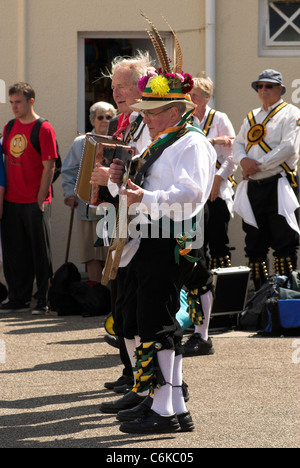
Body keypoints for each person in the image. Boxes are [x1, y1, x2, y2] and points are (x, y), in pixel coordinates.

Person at [99, 58, 216, 434]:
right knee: (154, 322)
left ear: (172, 110)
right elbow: (138, 192)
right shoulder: (164, 141)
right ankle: (171, 406)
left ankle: (165, 411)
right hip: (151, 237)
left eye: (151, 111)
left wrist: (142, 197)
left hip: (171, 240)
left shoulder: (191, 143)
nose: (144, 117)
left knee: (159, 323)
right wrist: (120, 182)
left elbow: (190, 197)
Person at [90, 52, 151, 393]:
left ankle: (147, 383)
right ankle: (131, 374)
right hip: (120, 218)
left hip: (144, 222)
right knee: (121, 301)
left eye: (124, 86)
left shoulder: (148, 123)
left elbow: (143, 170)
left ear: (141, 86)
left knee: (139, 306)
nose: (116, 93)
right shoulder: (121, 124)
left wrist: (109, 178)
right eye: (114, 86)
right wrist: (98, 187)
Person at [177, 76, 237, 357]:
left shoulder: (218, 117)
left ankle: (223, 313)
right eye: (189, 94)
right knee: (193, 259)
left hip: (216, 193)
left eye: (196, 95)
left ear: (206, 96)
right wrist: (213, 139)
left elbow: (232, 155)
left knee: (217, 249)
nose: (192, 99)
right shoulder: (186, 117)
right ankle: (194, 322)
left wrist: (218, 179)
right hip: (195, 198)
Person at [233, 69, 300, 290]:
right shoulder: (251, 116)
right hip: (254, 186)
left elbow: (289, 147)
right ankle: (260, 298)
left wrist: (257, 165)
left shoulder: (291, 113)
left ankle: (286, 296)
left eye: (268, 86)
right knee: (254, 243)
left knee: (284, 241)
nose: (263, 90)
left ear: (280, 89)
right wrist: (243, 161)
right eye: (260, 86)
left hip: (278, 184)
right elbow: (238, 143)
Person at [0, 82, 58, 314]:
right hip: (12, 201)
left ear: (30, 101)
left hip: (35, 201)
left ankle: (42, 298)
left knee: (40, 252)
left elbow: (50, 166)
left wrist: (40, 198)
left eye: (18, 102)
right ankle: (18, 297)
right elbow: (4, 163)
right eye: (11, 102)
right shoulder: (9, 126)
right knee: (14, 252)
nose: (14, 107)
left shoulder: (43, 128)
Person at [62, 101, 117, 283]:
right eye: (100, 117)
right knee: (91, 254)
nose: (104, 121)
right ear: (93, 120)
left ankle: (110, 298)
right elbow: (69, 171)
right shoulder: (80, 143)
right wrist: (70, 193)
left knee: (109, 253)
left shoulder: (118, 141)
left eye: (109, 117)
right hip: (85, 208)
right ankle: (96, 296)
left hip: (110, 209)